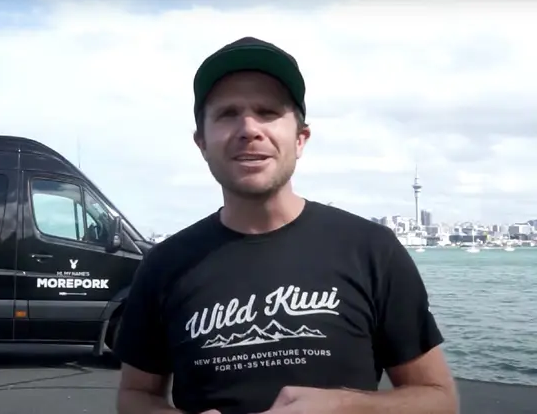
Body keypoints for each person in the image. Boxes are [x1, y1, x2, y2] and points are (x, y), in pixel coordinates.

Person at [113, 36, 459, 414]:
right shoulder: (163, 265)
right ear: (202, 143)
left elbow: (439, 398)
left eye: (268, 111)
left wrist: (346, 407)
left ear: (300, 139)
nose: (248, 128)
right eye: (227, 113)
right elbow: (136, 396)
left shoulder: (373, 250)